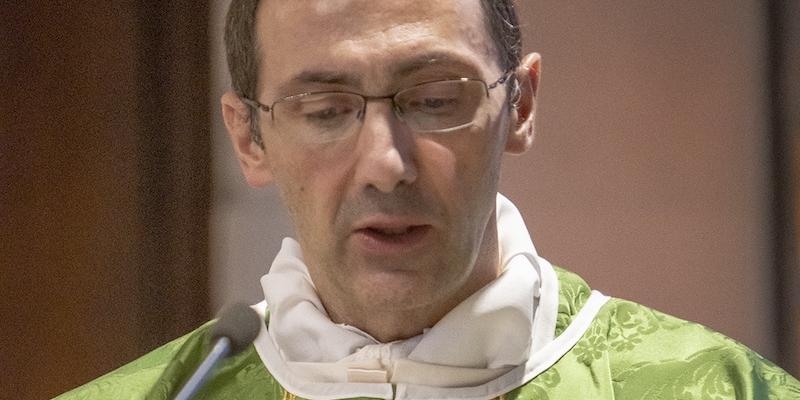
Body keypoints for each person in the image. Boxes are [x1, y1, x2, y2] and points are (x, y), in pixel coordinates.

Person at [58, 0, 799, 399]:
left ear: (522, 106)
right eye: (325, 109)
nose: (386, 164)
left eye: (437, 99)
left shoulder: (716, 393)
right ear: (249, 136)